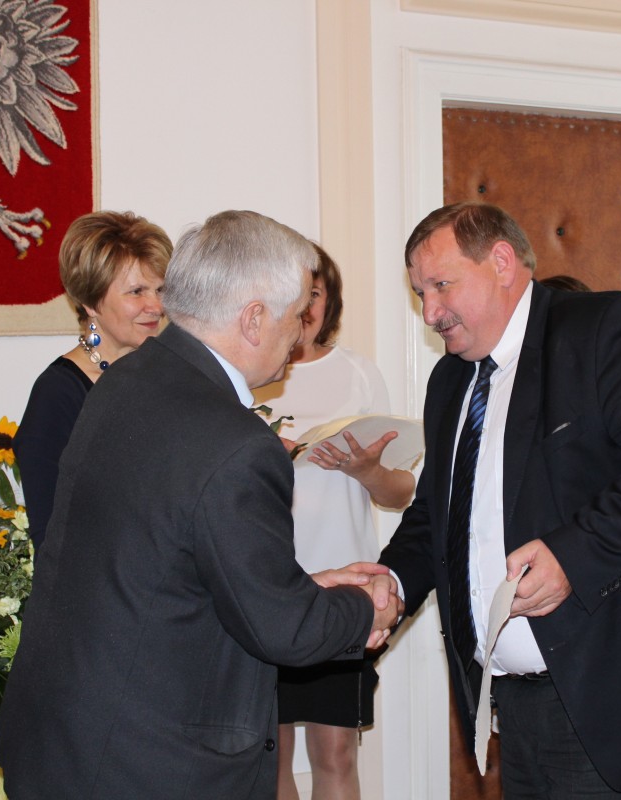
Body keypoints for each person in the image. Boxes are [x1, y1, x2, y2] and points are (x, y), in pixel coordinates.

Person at [0, 210, 403, 799]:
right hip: (147, 762)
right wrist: (366, 610)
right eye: (296, 316)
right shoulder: (235, 441)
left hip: (69, 740)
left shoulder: (125, 381)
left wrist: (303, 587)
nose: (299, 336)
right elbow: (282, 629)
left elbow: (166, 565)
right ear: (254, 319)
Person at [377, 203, 621, 798]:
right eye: (419, 293)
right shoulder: (450, 381)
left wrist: (573, 558)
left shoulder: (602, 328)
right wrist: (391, 584)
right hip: (516, 707)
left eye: (441, 285)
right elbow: (436, 514)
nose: (429, 312)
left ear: (501, 262)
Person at [251, 245, 415, 800]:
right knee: (268, 759)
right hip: (265, 589)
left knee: (337, 753)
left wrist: (367, 470)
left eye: (314, 295)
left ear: (329, 301)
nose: (304, 308)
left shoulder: (358, 374)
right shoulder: (250, 372)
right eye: (294, 295)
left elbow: (402, 491)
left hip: (343, 594)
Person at [13, 210, 172, 551]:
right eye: (137, 291)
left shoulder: (167, 378)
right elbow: (52, 539)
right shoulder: (57, 395)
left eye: (160, 289)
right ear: (90, 302)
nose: (156, 306)